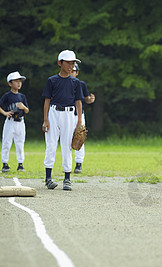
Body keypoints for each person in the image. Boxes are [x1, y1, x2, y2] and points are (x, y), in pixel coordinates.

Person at [42, 50, 84, 191]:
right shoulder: (52, 80)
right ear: (60, 63)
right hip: (54, 113)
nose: (71, 65)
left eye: (73, 63)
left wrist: (78, 122)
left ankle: (67, 178)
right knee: (51, 145)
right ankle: (48, 178)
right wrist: (45, 120)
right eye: (68, 63)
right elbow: (47, 101)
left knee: (67, 146)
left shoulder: (75, 82)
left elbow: (78, 102)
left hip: (69, 115)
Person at [0, 71, 29, 173]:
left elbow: (27, 110)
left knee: (20, 143)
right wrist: (5, 113)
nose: (19, 83)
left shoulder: (22, 96)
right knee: (6, 142)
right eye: (16, 81)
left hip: (21, 122)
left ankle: (20, 164)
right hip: (10, 122)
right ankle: (5, 164)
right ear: (10, 83)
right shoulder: (7, 95)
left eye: (20, 81)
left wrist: (24, 107)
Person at [70, 62, 95, 173]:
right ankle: (67, 164)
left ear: (77, 72)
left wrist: (90, 100)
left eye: (73, 71)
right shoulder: (63, 83)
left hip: (79, 115)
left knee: (80, 138)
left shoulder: (81, 84)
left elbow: (86, 99)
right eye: (70, 70)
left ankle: (79, 163)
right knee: (67, 139)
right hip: (66, 115)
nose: (71, 73)